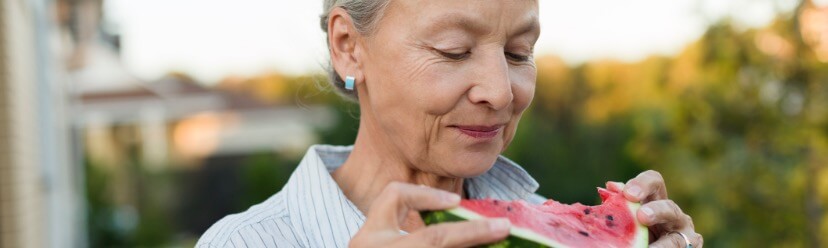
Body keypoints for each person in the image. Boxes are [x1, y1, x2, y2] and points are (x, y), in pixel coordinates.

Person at [197, 0, 703, 247]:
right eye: (453, 51)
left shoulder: (541, 224)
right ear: (348, 47)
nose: (502, 91)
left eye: (518, 52)